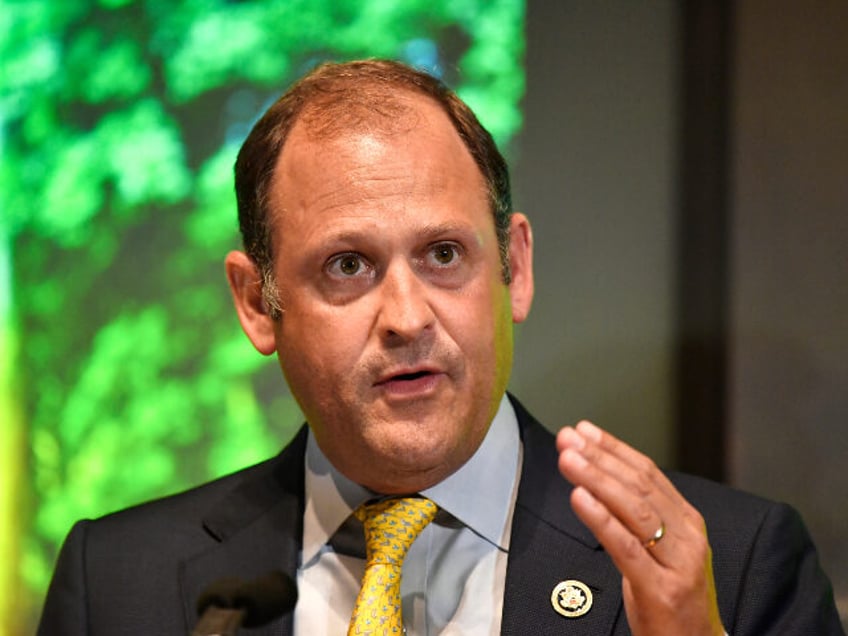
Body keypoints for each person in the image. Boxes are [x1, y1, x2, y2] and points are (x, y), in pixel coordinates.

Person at [38, 59, 843, 635]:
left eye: (444, 255)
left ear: (515, 268)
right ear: (258, 303)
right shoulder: (117, 585)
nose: (407, 317)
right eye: (347, 266)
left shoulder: (735, 570)